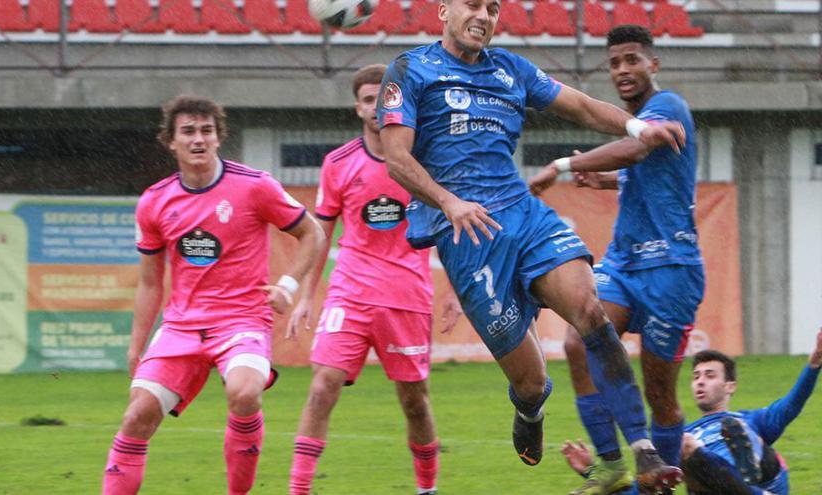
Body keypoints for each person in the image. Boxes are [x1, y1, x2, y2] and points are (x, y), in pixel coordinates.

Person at [376, 0, 688, 491]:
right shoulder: (411, 69)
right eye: (472, 5)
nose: (483, 15)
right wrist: (448, 202)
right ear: (443, 10)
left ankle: (637, 452)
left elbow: (582, 106)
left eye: (493, 8)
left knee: (590, 312)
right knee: (529, 380)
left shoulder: (511, 70)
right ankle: (531, 407)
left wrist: (637, 126)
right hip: (470, 237)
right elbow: (396, 158)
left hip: (525, 216)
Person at [101, 95, 324, 495]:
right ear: (171, 141)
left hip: (242, 321)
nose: (198, 139)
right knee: (137, 416)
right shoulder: (154, 201)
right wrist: (137, 345)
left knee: (243, 391)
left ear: (219, 137)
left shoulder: (255, 187)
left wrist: (288, 285)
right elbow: (151, 282)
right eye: (188, 131)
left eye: (207, 131)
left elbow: (312, 232)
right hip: (181, 328)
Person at [528, 25, 704, 494]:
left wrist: (566, 166)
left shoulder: (666, 108)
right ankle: (611, 466)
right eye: (614, 63)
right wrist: (604, 179)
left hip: (672, 270)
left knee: (659, 394)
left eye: (632, 59)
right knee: (577, 343)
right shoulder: (637, 119)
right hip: (625, 264)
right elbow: (640, 170)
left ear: (653, 64)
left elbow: (638, 147)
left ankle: (658, 484)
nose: (623, 70)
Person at [286, 64, 463, 495]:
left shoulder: (425, 160)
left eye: (382, 97)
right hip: (350, 291)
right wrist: (309, 296)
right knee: (322, 385)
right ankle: (298, 488)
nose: (374, 106)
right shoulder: (338, 164)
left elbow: (449, 226)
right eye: (367, 99)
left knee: (414, 401)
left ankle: (427, 489)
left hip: (407, 296)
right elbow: (321, 233)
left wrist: (457, 290)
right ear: (357, 107)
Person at [560, 326, 822, 495]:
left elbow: (790, 407)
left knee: (744, 435)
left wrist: (813, 364)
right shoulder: (683, 435)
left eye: (709, 375)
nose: (700, 382)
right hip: (714, 485)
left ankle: (748, 474)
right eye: (696, 376)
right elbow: (645, 488)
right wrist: (591, 472)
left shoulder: (749, 418)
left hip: (767, 479)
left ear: (730, 386)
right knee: (670, 463)